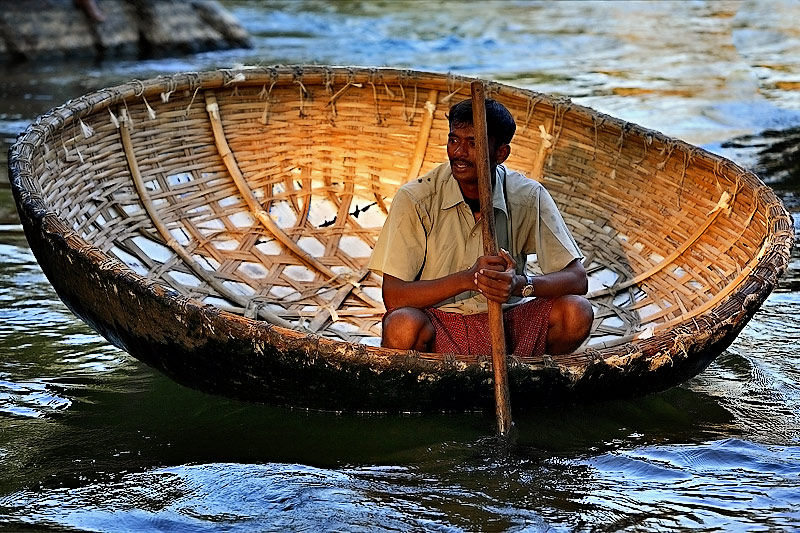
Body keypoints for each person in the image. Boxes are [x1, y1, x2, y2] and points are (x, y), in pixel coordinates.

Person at [368, 98, 593, 357]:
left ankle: (529, 376)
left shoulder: (528, 196)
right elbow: (394, 297)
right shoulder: (416, 198)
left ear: (501, 153)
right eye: (454, 140)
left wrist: (519, 284)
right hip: (439, 324)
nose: (459, 153)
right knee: (401, 325)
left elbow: (577, 279)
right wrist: (468, 279)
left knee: (577, 312)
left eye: (473, 143)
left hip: (509, 323)